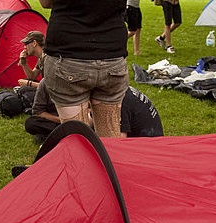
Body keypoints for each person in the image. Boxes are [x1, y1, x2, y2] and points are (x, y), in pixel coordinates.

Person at [38, 0, 129, 139]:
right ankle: (109, 159)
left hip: (69, 58)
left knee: (77, 142)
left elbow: (45, 2)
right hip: (112, 57)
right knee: (110, 140)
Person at [25, 82, 162, 144]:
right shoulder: (118, 91)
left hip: (144, 148)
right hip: (151, 141)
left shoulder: (117, 104)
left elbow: (118, 142)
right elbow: (92, 121)